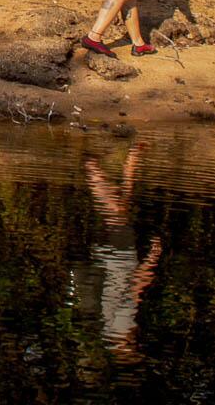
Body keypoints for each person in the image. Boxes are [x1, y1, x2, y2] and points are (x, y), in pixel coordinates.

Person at [71, 142, 163, 362]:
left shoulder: (122, 325)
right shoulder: (108, 325)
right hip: (108, 259)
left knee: (117, 211)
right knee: (122, 208)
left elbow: (135, 287)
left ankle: (92, 168)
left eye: (133, 344)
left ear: (127, 341)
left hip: (118, 258)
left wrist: (152, 258)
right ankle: (131, 159)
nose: (136, 338)